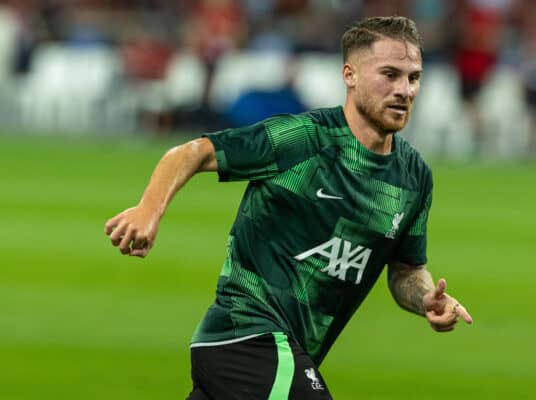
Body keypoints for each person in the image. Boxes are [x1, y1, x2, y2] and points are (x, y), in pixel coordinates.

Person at [104, 16, 473, 400]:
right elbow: (193, 152)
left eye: (413, 78)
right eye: (390, 75)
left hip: (288, 355)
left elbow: (406, 271)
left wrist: (426, 298)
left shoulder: (413, 177)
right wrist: (149, 210)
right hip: (246, 337)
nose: (404, 90)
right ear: (350, 75)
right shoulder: (304, 139)